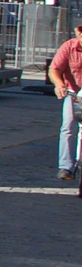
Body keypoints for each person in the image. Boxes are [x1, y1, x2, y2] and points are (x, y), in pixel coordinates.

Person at [48, 23, 82, 182]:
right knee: (68, 126)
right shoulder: (69, 46)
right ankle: (66, 166)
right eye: (80, 31)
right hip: (74, 91)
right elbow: (54, 69)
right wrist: (59, 84)